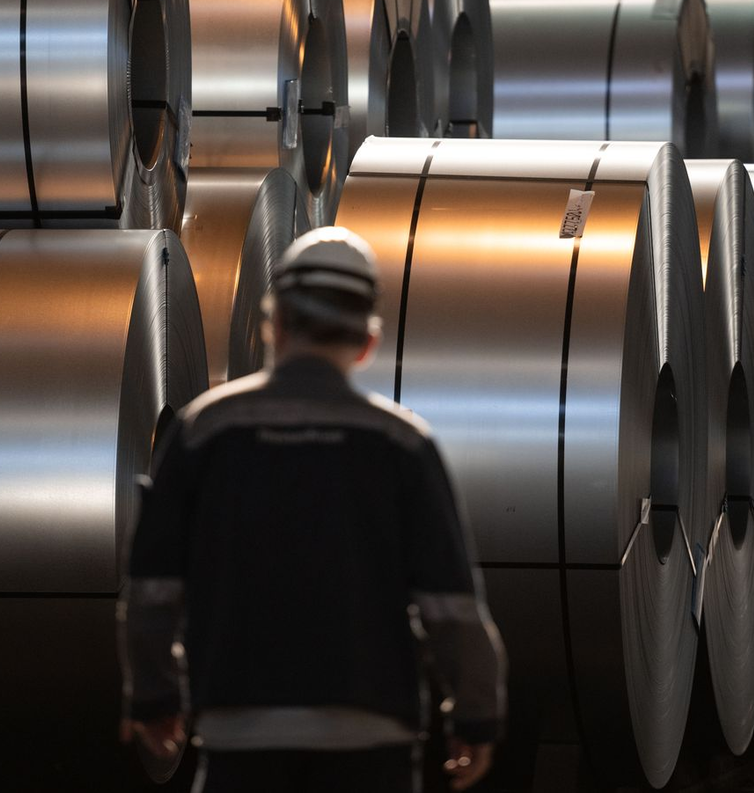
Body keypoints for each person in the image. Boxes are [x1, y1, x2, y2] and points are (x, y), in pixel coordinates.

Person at [118, 226, 506, 792]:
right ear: (367, 343)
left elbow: (151, 588)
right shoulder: (402, 445)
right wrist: (476, 716)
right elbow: (451, 604)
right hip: (371, 736)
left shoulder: (204, 431)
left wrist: (154, 697)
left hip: (239, 734)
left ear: (274, 325)